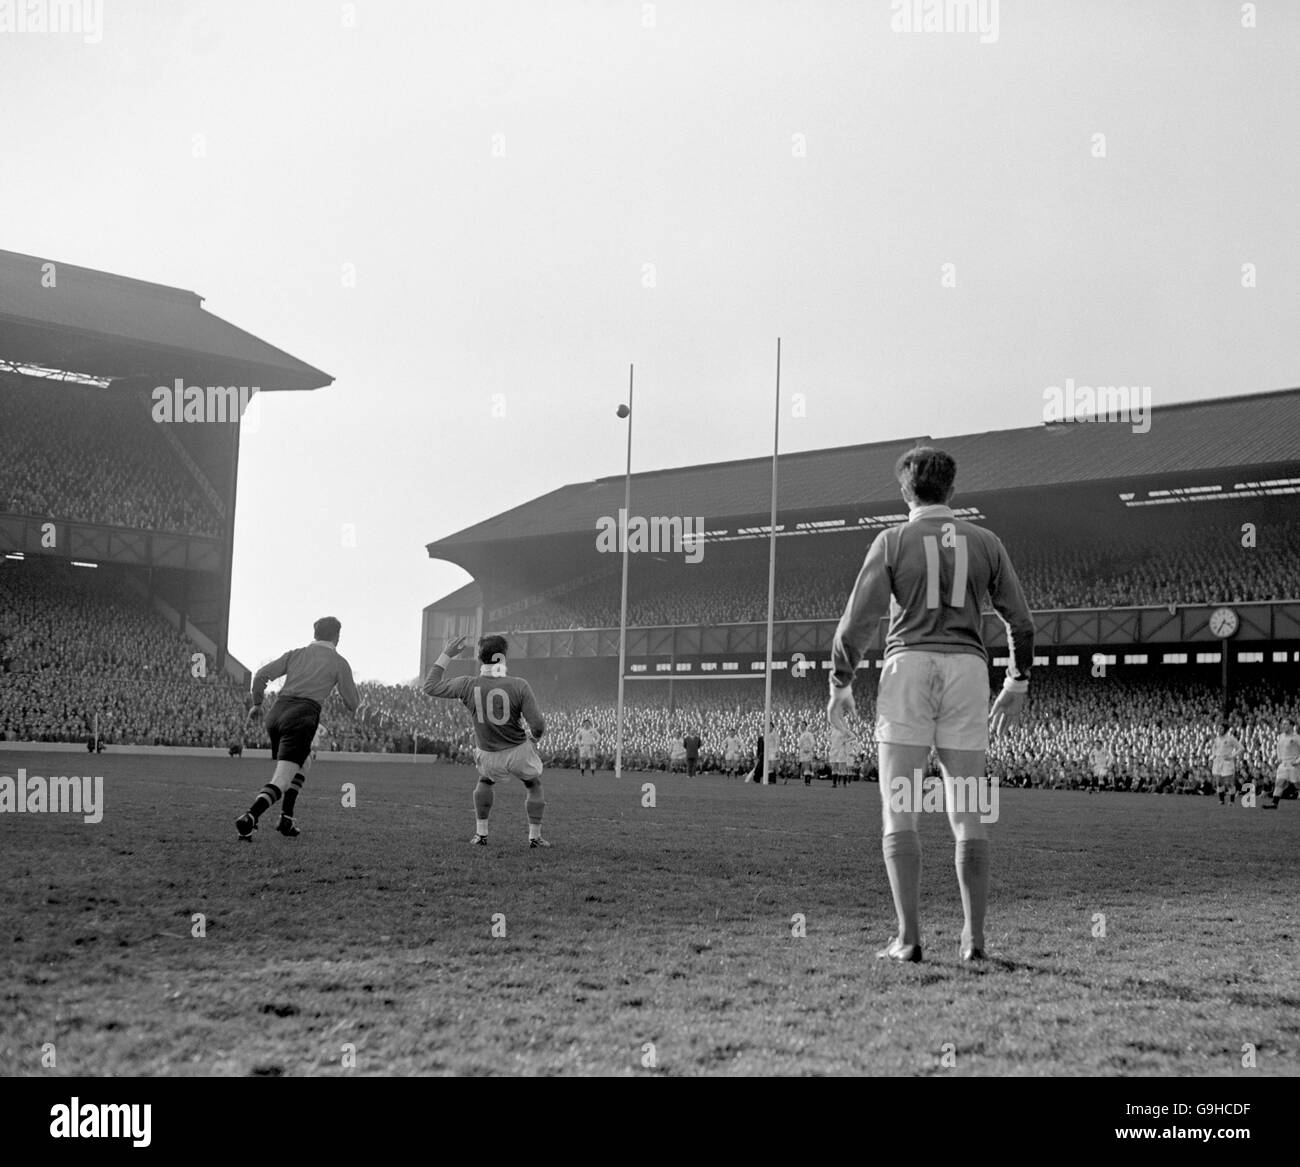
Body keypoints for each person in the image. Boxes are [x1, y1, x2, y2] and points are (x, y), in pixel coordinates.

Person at [827, 446, 1035, 964]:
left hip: (908, 667)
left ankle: (909, 938)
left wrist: (841, 682)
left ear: (904, 492)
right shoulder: (987, 541)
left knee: (901, 808)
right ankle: (974, 940)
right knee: (969, 812)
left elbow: (857, 622)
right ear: (953, 491)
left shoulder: (893, 539)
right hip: (968, 669)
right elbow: (1022, 622)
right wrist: (1018, 680)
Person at [236, 616, 361, 841]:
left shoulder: (295, 654)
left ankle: (287, 818)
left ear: (315, 633)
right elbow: (352, 703)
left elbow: (261, 675)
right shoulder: (338, 662)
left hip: (276, 712)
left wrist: (256, 704)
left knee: (304, 761)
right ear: (337, 636)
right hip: (302, 715)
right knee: (282, 780)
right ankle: (250, 817)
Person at [422, 633, 550, 848]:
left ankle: (481, 834)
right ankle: (534, 837)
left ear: (480, 658)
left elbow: (430, 686)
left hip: (488, 752)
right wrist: (534, 738)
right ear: (504, 657)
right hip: (518, 749)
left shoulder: (467, 684)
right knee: (533, 784)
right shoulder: (519, 685)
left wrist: (446, 654)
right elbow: (537, 724)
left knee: (484, 781)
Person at [1266, 717, 1300, 809]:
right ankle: (1274, 804)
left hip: (1294, 765)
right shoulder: (1281, 736)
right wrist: (1279, 758)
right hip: (1283, 764)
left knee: (1297, 784)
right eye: (1282, 724)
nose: (1283, 726)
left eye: (1286, 724)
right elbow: (1278, 748)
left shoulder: (1296, 737)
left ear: (1292, 726)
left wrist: (1297, 761)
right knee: (1279, 783)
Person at [1211, 720, 1243, 805]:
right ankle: (1221, 800)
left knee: (1228, 783)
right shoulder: (1216, 739)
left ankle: (1232, 801)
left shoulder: (1230, 738)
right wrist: (1213, 755)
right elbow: (1214, 748)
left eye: (1221, 728)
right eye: (1218, 728)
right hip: (1217, 762)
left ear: (1225, 730)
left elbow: (1241, 748)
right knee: (1219, 782)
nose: (1219, 730)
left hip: (1227, 762)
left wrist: (1232, 756)